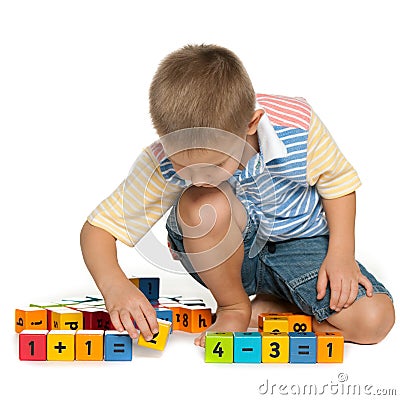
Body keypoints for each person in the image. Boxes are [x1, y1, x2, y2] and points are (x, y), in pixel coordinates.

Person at [80, 44, 394, 347]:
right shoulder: (162, 158)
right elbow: (98, 229)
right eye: (184, 166)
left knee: (374, 320)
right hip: (224, 258)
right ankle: (233, 307)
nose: (199, 178)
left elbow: (338, 183)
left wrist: (340, 254)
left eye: (215, 164)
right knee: (204, 202)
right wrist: (116, 287)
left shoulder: (298, 126)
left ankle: (275, 312)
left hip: (301, 246)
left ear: (250, 124)